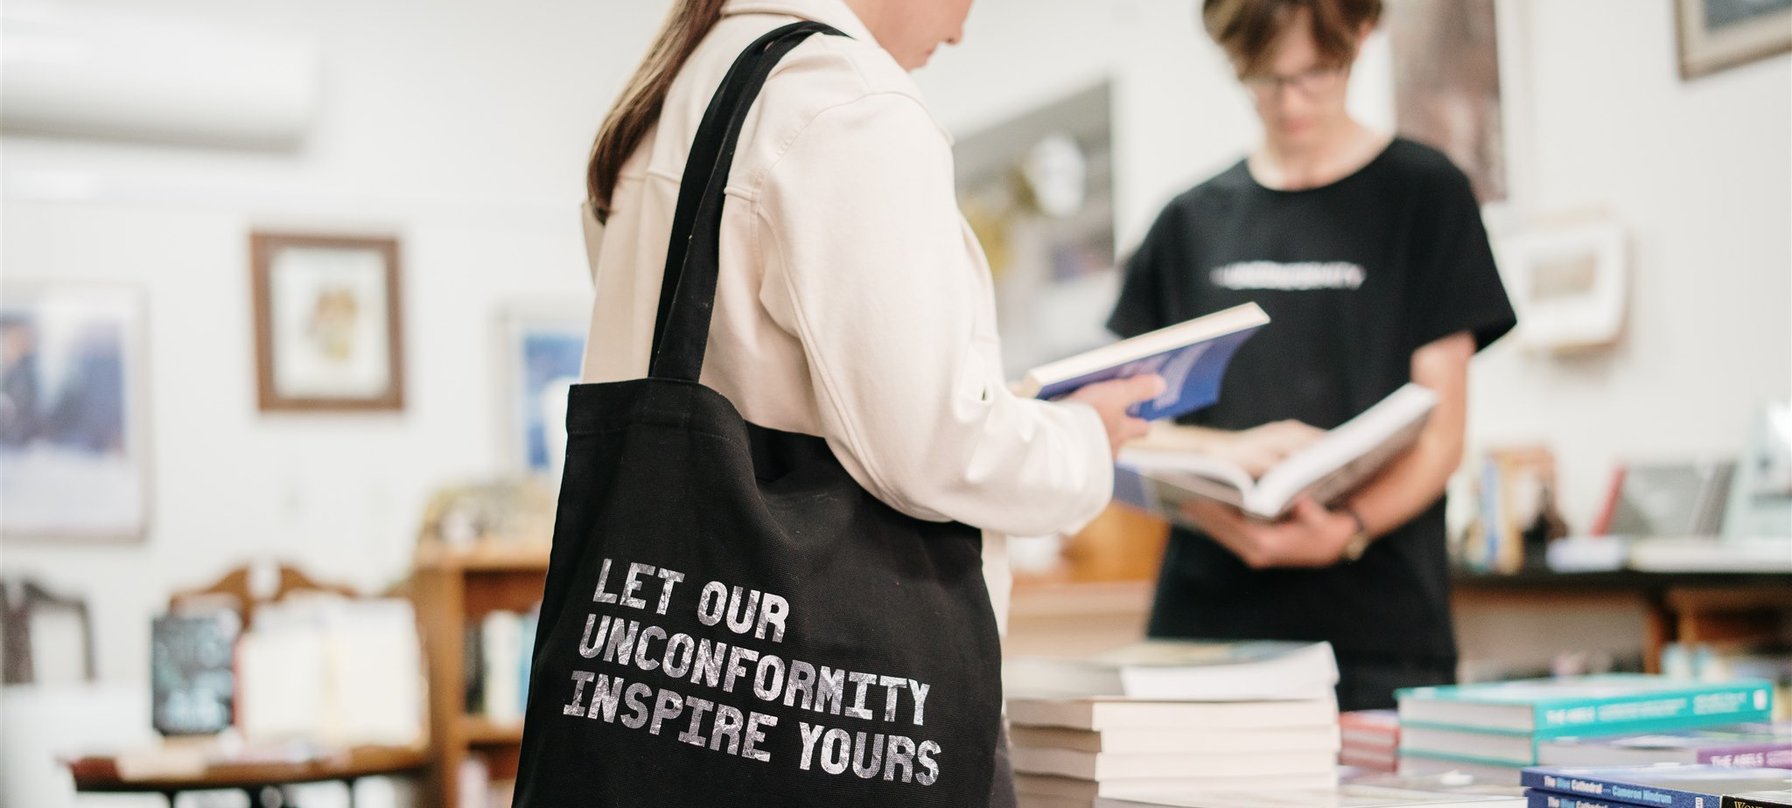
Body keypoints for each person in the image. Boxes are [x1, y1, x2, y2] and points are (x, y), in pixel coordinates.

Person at [578, 0, 1163, 802]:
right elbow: (931, 445)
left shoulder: (674, 89)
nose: (961, 29)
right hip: (833, 717)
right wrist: (1086, 437)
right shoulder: (846, 102)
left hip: (668, 709)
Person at [1108, 0, 1516, 711]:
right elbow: (1124, 425)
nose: (1290, 103)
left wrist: (1346, 531)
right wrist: (1223, 459)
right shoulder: (1186, 223)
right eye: (1265, 79)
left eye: (1316, 74)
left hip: (1378, 631)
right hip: (1206, 627)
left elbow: (1441, 435)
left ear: (1361, 32)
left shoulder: (1426, 196)